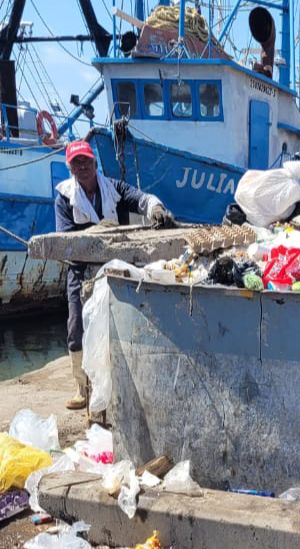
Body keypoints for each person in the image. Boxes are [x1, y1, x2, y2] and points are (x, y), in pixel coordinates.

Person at [54, 139, 174, 410]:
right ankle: (82, 387)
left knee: (118, 324)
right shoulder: (64, 197)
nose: (82, 167)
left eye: (86, 161)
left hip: (115, 267)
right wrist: (96, 232)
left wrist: (155, 209)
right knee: (76, 326)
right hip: (80, 269)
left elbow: (142, 199)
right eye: (76, 163)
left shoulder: (114, 189)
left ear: (95, 162)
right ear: (70, 169)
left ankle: (119, 383)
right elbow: (65, 238)